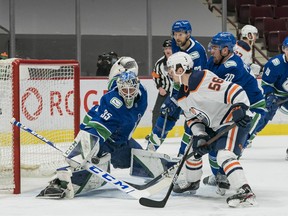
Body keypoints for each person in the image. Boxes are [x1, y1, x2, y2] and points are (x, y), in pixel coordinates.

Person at [37, 70, 148, 198]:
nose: (128, 94)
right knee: (89, 167)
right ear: (119, 88)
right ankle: (60, 184)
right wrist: (77, 156)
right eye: (125, 91)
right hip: (105, 142)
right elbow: (97, 129)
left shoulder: (143, 93)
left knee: (142, 161)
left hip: (122, 143)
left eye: (131, 90)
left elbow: (115, 80)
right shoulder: (113, 104)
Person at [167, 51, 257, 208]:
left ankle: (245, 190)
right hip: (213, 125)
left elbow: (235, 90)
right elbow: (192, 119)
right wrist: (200, 134)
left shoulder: (201, 79)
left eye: (170, 69)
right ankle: (192, 181)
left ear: (181, 68)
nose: (169, 73)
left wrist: (240, 107)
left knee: (224, 154)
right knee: (193, 148)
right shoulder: (182, 95)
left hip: (233, 120)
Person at [203, 32, 266, 194]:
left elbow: (219, 94)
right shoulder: (214, 61)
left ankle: (228, 178)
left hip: (252, 109)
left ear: (225, 50)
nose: (211, 51)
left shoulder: (233, 67)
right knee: (215, 143)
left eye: (215, 48)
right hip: (234, 108)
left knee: (231, 148)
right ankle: (220, 175)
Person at [146, 20, 207, 153]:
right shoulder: (174, 43)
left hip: (195, 92)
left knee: (192, 125)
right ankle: (149, 151)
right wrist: (175, 95)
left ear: (188, 34)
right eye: (175, 34)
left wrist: (181, 98)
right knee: (166, 114)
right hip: (179, 87)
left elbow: (196, 79)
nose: (177, 38)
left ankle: (183, 157)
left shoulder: (197, 52)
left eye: (180, 34)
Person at [252, 37, 288, 160]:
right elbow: (266, 83)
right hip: (276, 94)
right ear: (284, 49)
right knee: (264, 115)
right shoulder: (274, 64)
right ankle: (245, 138)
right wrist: (270, 95)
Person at [151, 39, 173, 128]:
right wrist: (160, 88)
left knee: (188, 112)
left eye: (170, 48)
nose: (168, 50)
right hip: (165, 91)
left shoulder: (181, 60)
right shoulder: (159, 63)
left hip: (179, 91)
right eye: (166, 48)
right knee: (156, 111)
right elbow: (155, 75)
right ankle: (154, 133)